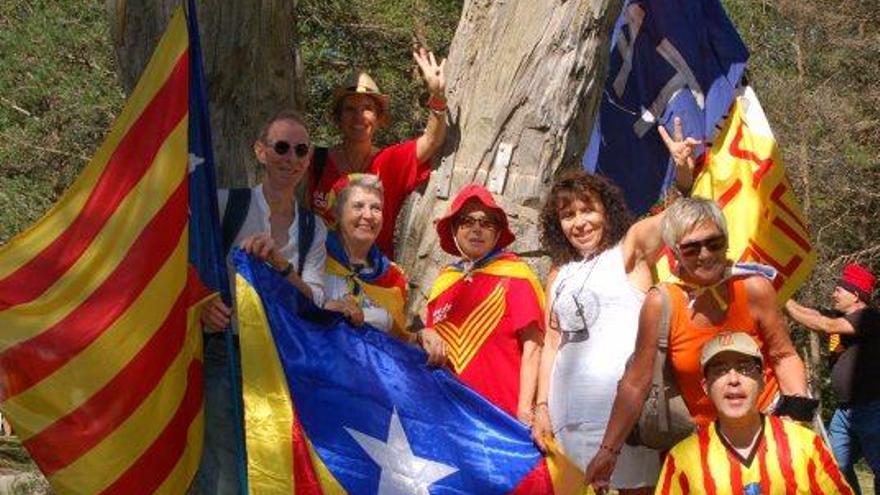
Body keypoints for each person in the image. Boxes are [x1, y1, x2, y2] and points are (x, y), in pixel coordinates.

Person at [585, 197, 809, 490]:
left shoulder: (753, 287)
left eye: (714, 243)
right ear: (675, 252)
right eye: (692, 248)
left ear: (726, 242)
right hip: (703, 449)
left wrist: (796, 417)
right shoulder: (662, 302)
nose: (705, 254)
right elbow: (635, 382)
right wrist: (608, 451)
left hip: (766, 432)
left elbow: (783, 355)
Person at [196, 109, 328, 495]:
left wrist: (280, 265)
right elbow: (181, 262)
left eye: (300, 150)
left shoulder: (312, 228)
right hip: (227, 354)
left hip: (280, 364)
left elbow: (315, 298)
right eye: (282, 147)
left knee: (271, 471)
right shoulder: (225, 206)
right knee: (224, 469)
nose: (291, 158)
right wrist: (202, 303)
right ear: (260, 152)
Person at [531, 170, 664, 494]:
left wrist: (685, 176)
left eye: (587, 209)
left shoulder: (628, 252)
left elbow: (676, 220)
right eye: (568, 215)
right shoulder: (559, 273)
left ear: (607, 210)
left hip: (623, 423)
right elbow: (551, 343)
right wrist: (541, 407)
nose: (579, 222)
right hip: (565, 422)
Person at [656, 331, 853, 495]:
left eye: (744, 368)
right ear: (706, 386)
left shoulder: (806, 446)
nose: (733, 379)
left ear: (762, 381)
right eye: (720, 370)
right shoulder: (682, 460)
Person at [307, 48, 447, 259]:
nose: (359, 117)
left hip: (376, 280)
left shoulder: (390, 161)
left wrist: (437, 95)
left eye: (367, 108)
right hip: (321, 277)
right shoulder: (314, 160)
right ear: (338, 118)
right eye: (350, 109)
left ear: (379, 117)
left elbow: (432, 140)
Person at [424, 184, 545, 422]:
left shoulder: (516, 276)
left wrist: (524, 410)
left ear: (498, 233)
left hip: (502, 418)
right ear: (454, 229)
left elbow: (534, 347)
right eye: (467, 221)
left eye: (487, 222)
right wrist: (423, 334)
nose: (477, 229)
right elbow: (430, 344)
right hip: (447, 415)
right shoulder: (444, 281)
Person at [785, 263, 879, 494]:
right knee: (835, 467)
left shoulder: (869, 318)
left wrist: (782, 302)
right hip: (844, 413)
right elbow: (814, 315)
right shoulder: (839, 317)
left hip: (872, 410)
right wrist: (782, 296)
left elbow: (826, 325)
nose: (833, 293)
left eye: (839, 289)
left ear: (855, 295)